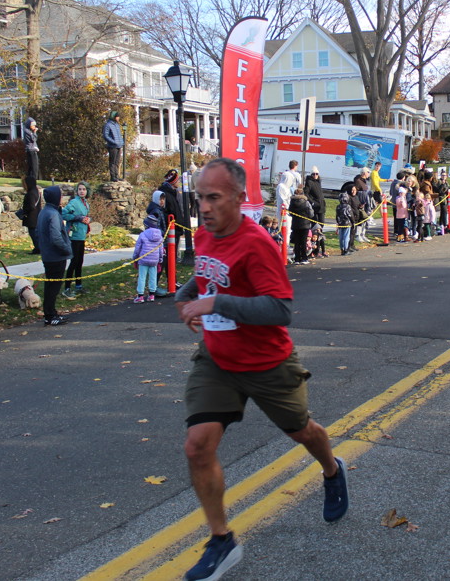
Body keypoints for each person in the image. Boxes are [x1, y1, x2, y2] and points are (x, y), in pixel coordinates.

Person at [174, 158, 348, 581]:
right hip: (217, 358)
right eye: (200, 197)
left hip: (267, 363)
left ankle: (331, 469)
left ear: (238, 198)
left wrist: (216, 303)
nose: (204, 207)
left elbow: (279, 309)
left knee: (303, 432)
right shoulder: (205, 232)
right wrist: (185, 296)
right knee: (197, 445)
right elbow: (205, 274)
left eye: (214, 198)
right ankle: (221, 541)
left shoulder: (257, 245)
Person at [36, 186, 72, 326]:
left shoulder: (44, 212)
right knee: (53, 287)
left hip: (48, 254)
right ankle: (50, 315)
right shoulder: (53, 214)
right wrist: (66, 249)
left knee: (50, 286)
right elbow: (56, 237)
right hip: (55, 256)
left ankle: (50, 312)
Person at [62, 182, 91, 298]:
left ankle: (78, 285)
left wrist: (87, 219)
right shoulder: (74, 202)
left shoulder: (86, 203)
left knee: (80, 261)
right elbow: (64, 214)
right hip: (74, 236)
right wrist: (78, 218)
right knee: (74, 262)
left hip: (81, 235)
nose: (82, 191)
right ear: (77, 191)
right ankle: (67, 288)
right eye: (80, 189)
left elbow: (85, 216)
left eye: (84, 189)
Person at [132, 213, 165, 303]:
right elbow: (161, 250)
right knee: (153, 277)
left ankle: (140, 296)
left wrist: (135, 258)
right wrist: (160, 260)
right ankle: (151, 295)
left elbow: (137, 248)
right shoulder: (160, 236)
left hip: (143, 260)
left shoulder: (142, 235)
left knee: (142, 277)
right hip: (154, 260)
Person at [288, 186, 314, 265]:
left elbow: (290, 213)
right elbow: (311, 214)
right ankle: (304, 258)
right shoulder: (306, 202)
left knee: (297, 242)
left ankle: (297, 259)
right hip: (305, 224)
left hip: (295, 224)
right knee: (303, 241)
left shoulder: (292, 202)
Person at [21, 176, 42, 255]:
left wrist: (24, 211)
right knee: (35, 233)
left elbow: (31, 206)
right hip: (36, 216)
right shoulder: (36, 191)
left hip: (32, 217)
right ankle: (38, 248)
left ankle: (38, 248)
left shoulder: (31, 193)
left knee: (33, 233)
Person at [103, 110, 124, 182]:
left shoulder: (117, 125)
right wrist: (113, 142)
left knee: (117, 162)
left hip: (119, 146)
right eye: (117, 117)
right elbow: (106, 135)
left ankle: (116, 176)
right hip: (112, 146)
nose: (118, 118)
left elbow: (119, 135)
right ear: (114, 117)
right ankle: (113, 177)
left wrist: (121, 142)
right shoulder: (108, 125)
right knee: (112, 161)